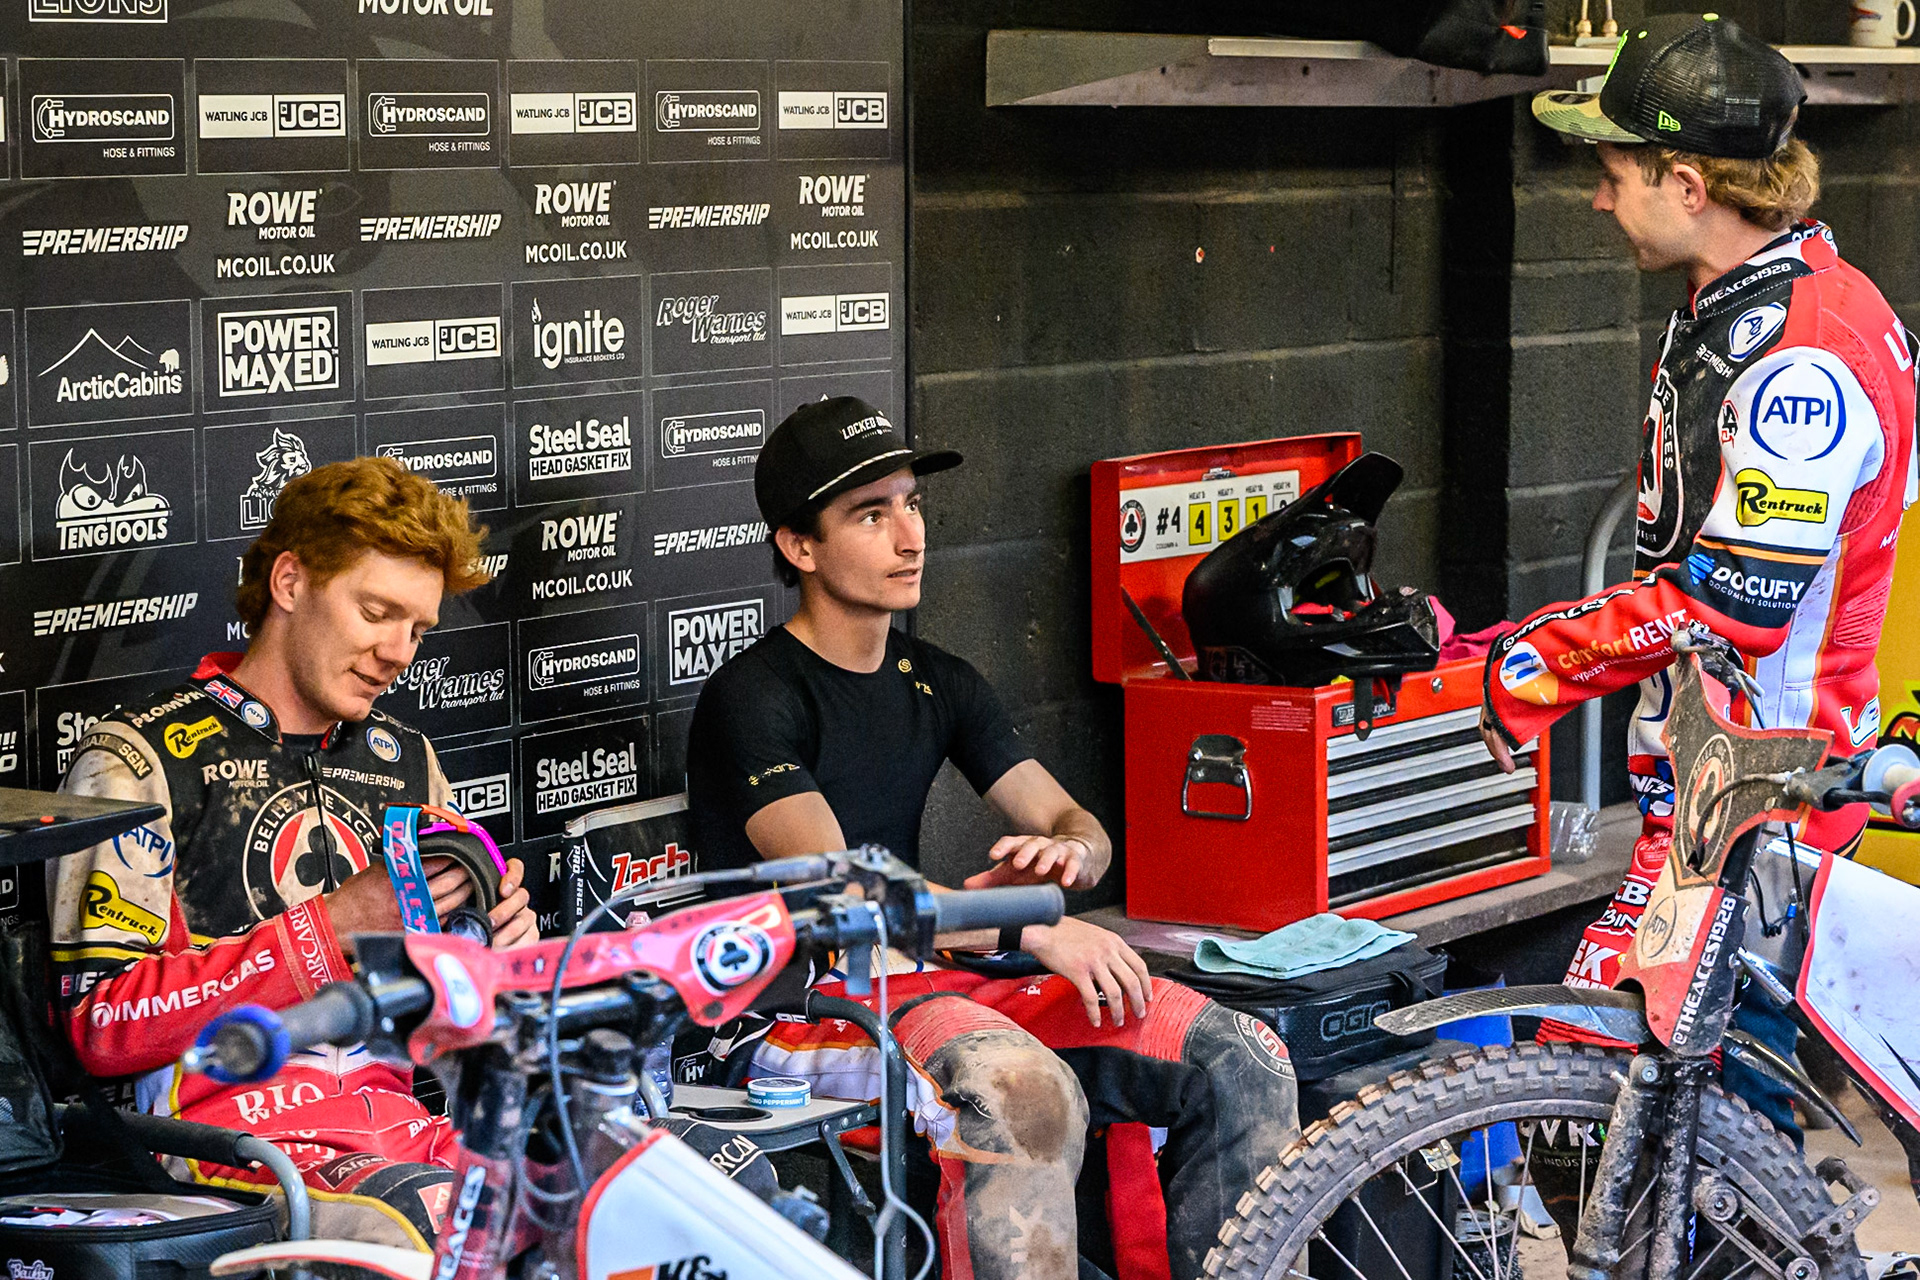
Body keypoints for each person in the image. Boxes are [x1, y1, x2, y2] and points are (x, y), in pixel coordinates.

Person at [686, 396, 1301, 1280]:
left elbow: (1075, 824)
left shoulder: (939, 680)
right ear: (799, 547)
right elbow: (842, 895)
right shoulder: (754, 695)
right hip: (793, 1011)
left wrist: (1070, 857)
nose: (909, 536)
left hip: (935, 981)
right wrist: (1030, 925)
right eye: (871, 513)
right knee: (1024, 1095)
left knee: (1244, 1060)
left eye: (912, 505)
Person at [1484, 13, 1918, 1137]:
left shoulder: (1804, 353)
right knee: (1609, 1098)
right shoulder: (1758, 297)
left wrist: (1537, 666)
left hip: (1768, 805)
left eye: (1613, 171)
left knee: (1660, 1124)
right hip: (1710, 790)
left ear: (1687, 181)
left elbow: (1738, 602)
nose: (1596, 197)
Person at [48, 456, 538, 1249]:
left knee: (641, 1192)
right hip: (224, 1150)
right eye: (376, 611)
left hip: (399, 1131)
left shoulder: (407, 762)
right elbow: (100, 1026)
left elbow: (456, 1023)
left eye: (417, 628)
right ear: (289, 582)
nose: (399, 651)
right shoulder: (137, 761)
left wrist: (494, 958)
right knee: (448, 1228)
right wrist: (334, 925)